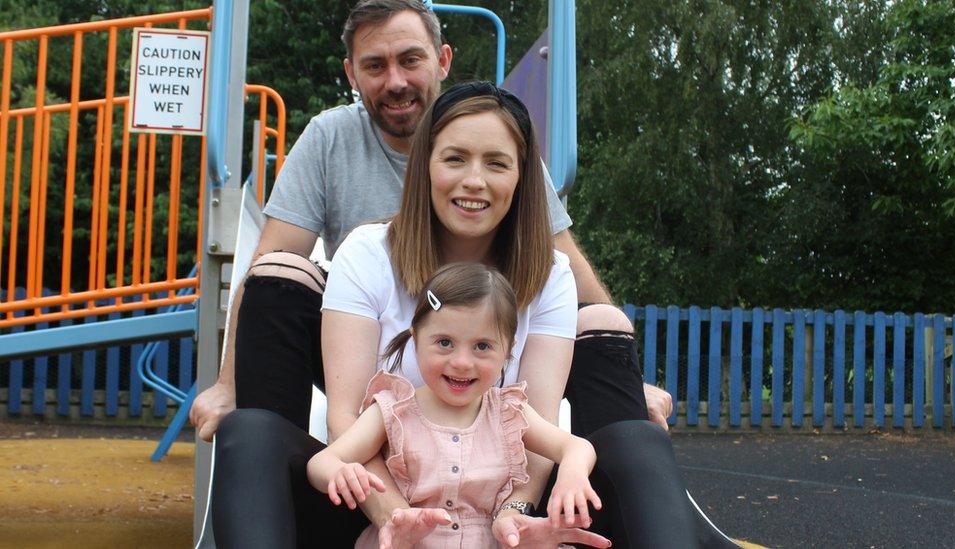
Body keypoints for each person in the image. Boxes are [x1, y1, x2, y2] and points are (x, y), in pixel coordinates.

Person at [196, 1, 739, 547]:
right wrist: (397, 517)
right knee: (252, 430)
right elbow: (344, 420)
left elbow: (540, 431)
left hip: (495, 509)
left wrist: (515, 515)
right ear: (426, 165)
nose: (474, 181)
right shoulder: (366, 249)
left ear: (523, 178)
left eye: (496, 164)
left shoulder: (547, 275)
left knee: (637, 440)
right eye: (454, 160)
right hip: (380, 499)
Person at [307, 262, 609, 549]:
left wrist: (572, 473)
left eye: (482, 346)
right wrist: (340, 473)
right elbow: (321, 462)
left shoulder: (508, 412)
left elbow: (577, 447)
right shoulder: (393, 410)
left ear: (507, 352)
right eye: (444, 342)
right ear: (416, 340)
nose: (462, 362)